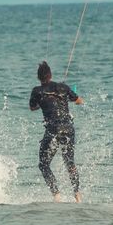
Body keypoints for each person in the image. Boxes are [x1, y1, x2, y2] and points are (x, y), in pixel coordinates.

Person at [29, 61, 84, 202]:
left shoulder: (37, 91)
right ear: (51, 74)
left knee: (43, 164)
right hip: (68, 128)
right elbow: (79, 101)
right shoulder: (63, 87)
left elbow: (32, 107)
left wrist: (43, 103)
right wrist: (68, 97)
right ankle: (77, 195)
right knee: (70, 162)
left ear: (38, 77)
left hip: (53, 130)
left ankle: (57, 195)